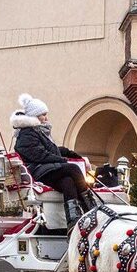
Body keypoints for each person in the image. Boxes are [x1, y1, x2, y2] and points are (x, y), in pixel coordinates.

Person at [11, 93, 88, 227]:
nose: (46, 118)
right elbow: (40, 155)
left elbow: (53, 149)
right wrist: (63, 160)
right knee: (73, 169)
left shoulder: (37, 132)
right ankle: (89, 207)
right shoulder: (27, 134)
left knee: (67, 181)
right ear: (35, 116)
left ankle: (73, 219)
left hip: (44, 169)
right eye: (43, 115)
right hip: (38, 170)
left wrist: (76, 156)